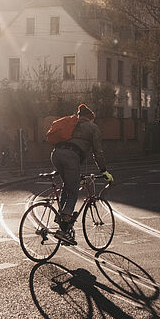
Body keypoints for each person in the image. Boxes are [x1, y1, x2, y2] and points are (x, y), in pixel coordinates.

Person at [50, 104, 113, 244]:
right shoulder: (93, 128)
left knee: (68, 185)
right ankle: (64, 230)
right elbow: (98, 153)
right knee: (73, 191)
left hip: (56, 154)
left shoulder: (72, 123)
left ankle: (61, 216)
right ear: (91, 118)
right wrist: (103, 170)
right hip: (71, 156)